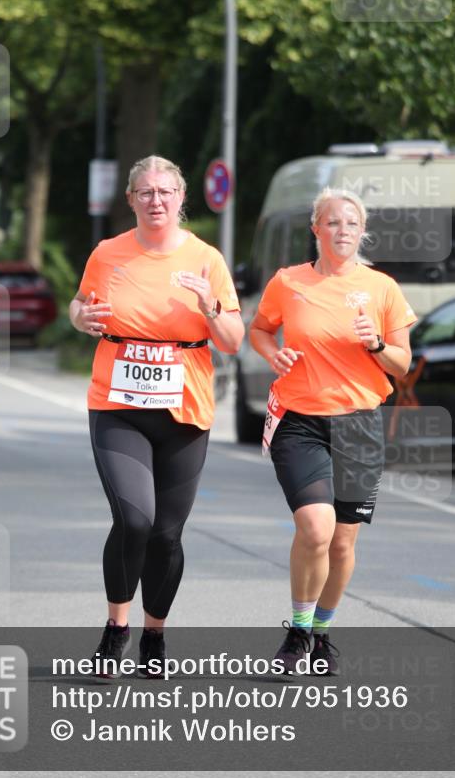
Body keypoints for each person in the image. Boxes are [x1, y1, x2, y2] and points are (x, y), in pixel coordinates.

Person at [70, 155, 243, 674]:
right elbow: (79, 308)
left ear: (180, 197)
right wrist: (84, 318)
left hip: (184, 408)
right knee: (134, 518)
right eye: (145, 192)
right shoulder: (107, 254)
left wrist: (211, 307)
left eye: (165, 192)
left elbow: (233, 341)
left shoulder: (206, 258)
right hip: (118, 403)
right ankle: (115, 629)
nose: (156, 201)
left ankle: (154, 636)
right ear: (131, 199)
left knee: (167, 533)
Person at [250, 187, 416, 673]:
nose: (342, 230)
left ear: (361, 232)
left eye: (351, 223)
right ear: (316, 230)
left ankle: (322, 631)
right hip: (299, 421)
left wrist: (377, 343)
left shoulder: (382, 288)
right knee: (315, 528)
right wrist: (270, 353)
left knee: (343, 541)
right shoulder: (288, 282)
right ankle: (298, 631)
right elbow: (261, 329)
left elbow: (401, 365)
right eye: (332, 222)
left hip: (360, 424)